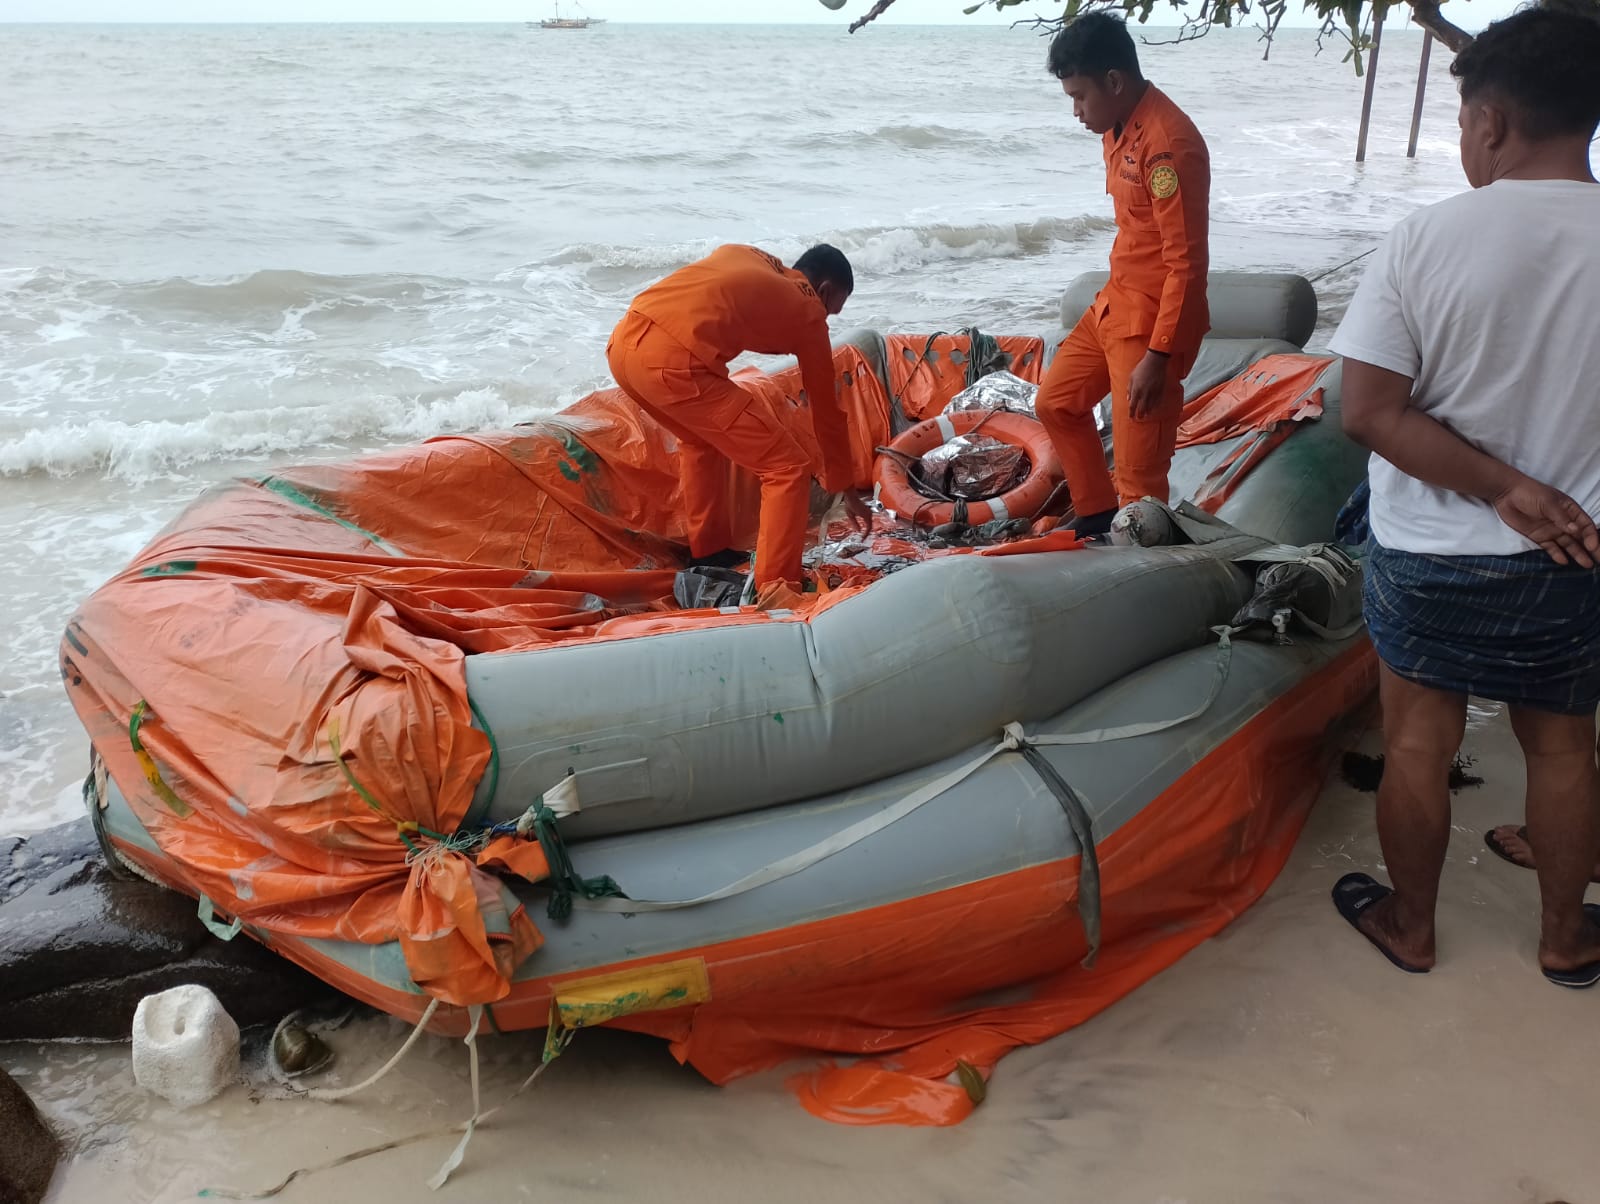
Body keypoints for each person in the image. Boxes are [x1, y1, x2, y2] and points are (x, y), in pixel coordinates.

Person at [1327, 5, 1600, 987]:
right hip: (1575, 555)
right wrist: (1538, 495)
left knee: (1416, 737)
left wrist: (1498, 488)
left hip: (1429, 554)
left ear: (1489, 122)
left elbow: (1366, 410)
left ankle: (1412, 926)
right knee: (1563, 747)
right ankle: (1567, 942)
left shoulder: (1422, 240)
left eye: (1460, 124)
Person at [1034, 12, 1210, 538]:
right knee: (1055, 402)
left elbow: (1187, 263)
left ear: (1114, 82)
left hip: (1152, 324)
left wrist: (1158, 357)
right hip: (1114, 303)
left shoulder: (1168, 146)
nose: (1075, 111)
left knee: (1139, 481)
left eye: (1080, 96)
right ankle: (1094, 512)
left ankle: (1142, 569)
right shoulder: (1115, 123)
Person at [606, 243, 870, 590]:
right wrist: (847, 491)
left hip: (622, 349)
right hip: (671, 364)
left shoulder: (749, 256)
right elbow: (826, 412)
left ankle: (708, 552)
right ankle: (777, 586)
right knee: (787, 468)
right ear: (822, 290)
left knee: (700, 440)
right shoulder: (808, 310)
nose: (826, 320)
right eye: (830, 311)